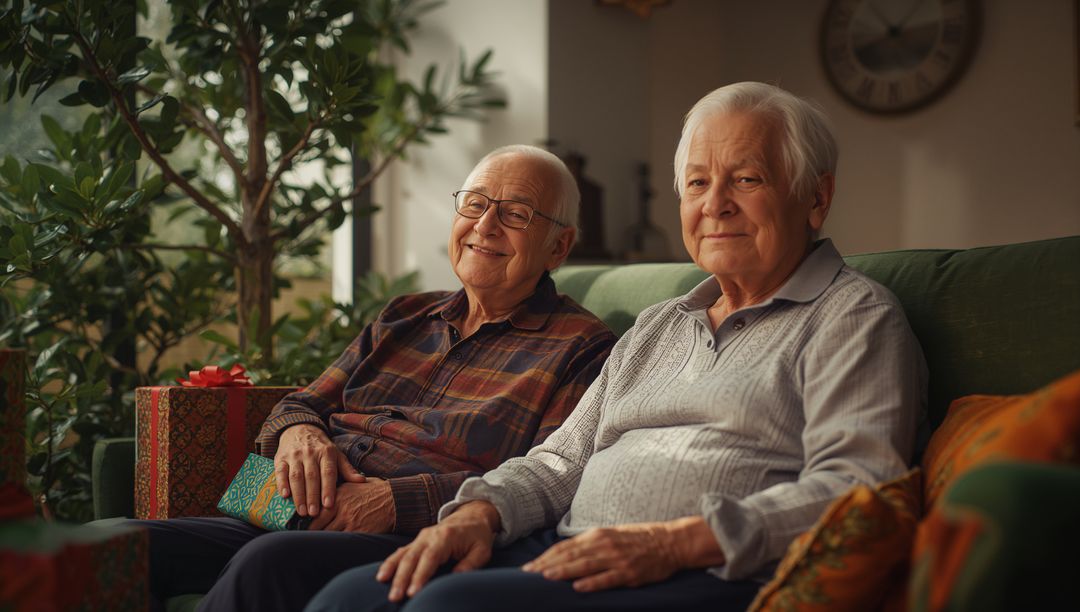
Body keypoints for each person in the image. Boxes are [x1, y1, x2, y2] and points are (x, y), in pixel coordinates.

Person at [305, 82, 928, 612]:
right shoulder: (657, 323)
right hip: (289, 500)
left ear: (816, 198)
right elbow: (559, 462)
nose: (716, 205)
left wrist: (674, 542)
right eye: (698, 183)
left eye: (746, 179)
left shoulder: (852, 318)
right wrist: (480, 512)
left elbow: (858, 488)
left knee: (432, 601)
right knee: (334, 589)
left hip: (701, 574)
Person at [125, 145, 618, 611]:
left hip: (408, 531)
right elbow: (302, 403)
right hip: (286, 508)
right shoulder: (403, 315)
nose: (485, 226)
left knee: (266, 565)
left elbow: (550, 480)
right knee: (120, 544)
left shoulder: (582, 347)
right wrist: (301, 434)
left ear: (559, 247)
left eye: (515, 214)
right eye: (474, 204)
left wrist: (394, 501)